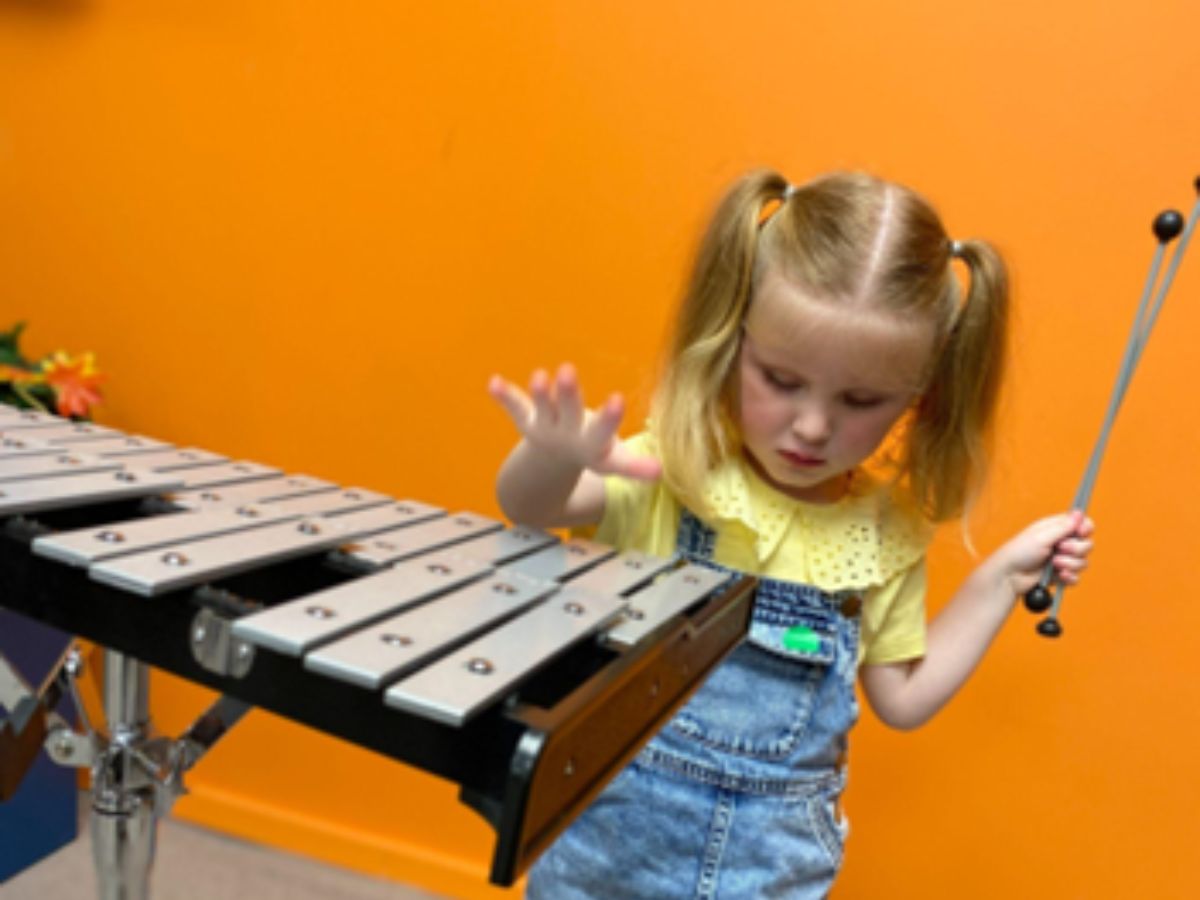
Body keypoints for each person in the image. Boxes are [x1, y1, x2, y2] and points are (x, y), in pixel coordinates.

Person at [488, 169, 1094, 899]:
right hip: (606, 849)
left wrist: (1001, 579)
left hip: (769, 872)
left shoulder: (883, 534)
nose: (812, 426)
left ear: (920, 398)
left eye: (862, 400)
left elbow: (901, 701)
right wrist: (551, 454)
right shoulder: (673, 470)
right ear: (731, 339)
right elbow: (529, 508)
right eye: (779, 378)